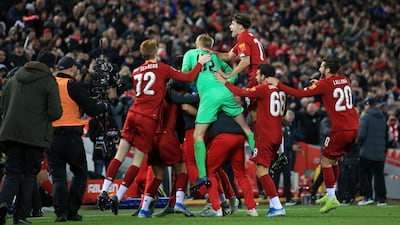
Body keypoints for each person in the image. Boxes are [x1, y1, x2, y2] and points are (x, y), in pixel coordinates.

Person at [96, 39, 210, 215]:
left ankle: (111, 193)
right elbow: (185, 82)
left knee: (125, 157)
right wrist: (200, 67)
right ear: (155, 52)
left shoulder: (136, 72)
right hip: (151, 123)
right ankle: (121, 196)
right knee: (170, 164)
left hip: (133, 113)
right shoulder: (163, 72)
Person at [267, 56, 359, 213]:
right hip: (354, 126)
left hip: (340, 129)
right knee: (334, 160)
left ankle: (331, 198)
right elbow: (332, 89)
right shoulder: (345, 80)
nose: (319, 70)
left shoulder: (324, 84)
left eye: (322, 67)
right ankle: (332, 194)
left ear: (328, 70)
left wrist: (279, 84)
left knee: (325, 162)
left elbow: (299, 94)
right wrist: (319, 85)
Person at [181, 33, 255, 191]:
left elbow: (186, 76)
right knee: (246, 129)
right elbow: (233, 77)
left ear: (197, 44)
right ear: (211, 46)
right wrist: (225, 78)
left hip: (209, 96)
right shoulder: (216, 57)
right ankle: (262, 159)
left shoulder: (191, 54)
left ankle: (203, 175)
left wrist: (195, 81)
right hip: (226, 92)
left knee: (198, 135)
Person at [215, 63, 287, 217]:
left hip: (265, 135)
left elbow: (241, 92)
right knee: (265, 170)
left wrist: (225, 82)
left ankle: (277, 206)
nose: (256, 77)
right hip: (278, 136)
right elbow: (284, 113)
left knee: (261, 171)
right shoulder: (281, 91)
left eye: (258, 74)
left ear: (264, 76)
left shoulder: (263, 88)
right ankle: (275, 205)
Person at [0, 50, 62, 225]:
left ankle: (3, 203)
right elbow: (55, 112)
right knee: (28, 175)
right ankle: (20, 216)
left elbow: (2, 105)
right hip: (34, 136)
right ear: (51, 66)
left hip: (10, 134)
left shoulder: (13, 79)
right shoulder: (49, 81)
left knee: (11, 172)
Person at [46, 56, 107, 222]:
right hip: (71, 136)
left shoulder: (49, 83)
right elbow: (92, 109)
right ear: (72, 69)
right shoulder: (72, 85)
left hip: (51, 135)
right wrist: (104, 105)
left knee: (58, 177)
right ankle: (72, 210)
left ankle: (60, 213)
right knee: (80, 173)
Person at [201, 110, 258, 217]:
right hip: (239, 136)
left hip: (222, 137)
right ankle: (252, 208)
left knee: (210, 172)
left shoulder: (213, 104)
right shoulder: (232, 107)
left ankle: (216, 208)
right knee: (241, 174)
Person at [211, 13, 267, 123]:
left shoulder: (243, 38)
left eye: (232, 24)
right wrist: (212, 52)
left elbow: (246, 60)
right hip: (261, 75)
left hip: (256, 76)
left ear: (240, 26)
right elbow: (228, 56)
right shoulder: (248, 37)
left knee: (254, 110)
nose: (230, 27)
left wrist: (229, 75)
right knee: (259, 108)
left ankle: (257, 137)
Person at [357, 96, 387, 206]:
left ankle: (368, 196)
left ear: (368, 105)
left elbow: (361, 135)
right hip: (380, 152)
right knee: (379, 176)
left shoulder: (366, 117)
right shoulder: (382, 116)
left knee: (363, 173)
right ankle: (381, 199)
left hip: (367, 152)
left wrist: (357, 141)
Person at [272, 110, 302, 206]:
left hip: (285, 156)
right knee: (276, 177)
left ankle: (288, 198)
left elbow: (290, 140)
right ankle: (274, 198)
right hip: (278, 156)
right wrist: (291, 146)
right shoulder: (277, 126)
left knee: (287, 177)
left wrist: (294, 145)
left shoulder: (287, 126)